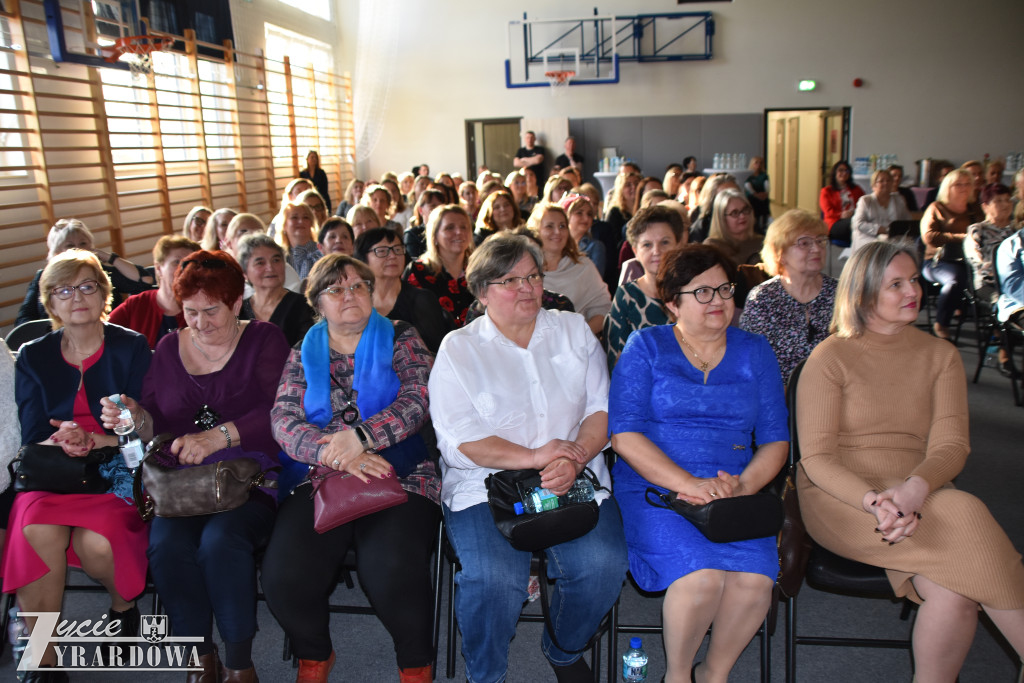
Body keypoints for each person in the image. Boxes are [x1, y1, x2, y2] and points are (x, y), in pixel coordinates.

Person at [796, 240, 1024, 682]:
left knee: (955, 592)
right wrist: (876, 500)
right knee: (968, 514)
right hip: (843, 495)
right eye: (895, 284)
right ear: (862, 295)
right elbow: (818, 459)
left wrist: (915, 489)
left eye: (914, 280)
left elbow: (951, 446)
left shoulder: (940, 355)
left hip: (921, 487)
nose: (912, 291)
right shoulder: (830, 357)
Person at [428, 233, 627, 683]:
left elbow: (601, 408)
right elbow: (460, 441)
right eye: (509, 280)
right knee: (495, 581)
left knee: (602, 567)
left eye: (533, 276)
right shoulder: (459, 349)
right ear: (482, 293)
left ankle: (563, 648)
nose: (527, 288)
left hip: (572, 473)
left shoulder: (572, 330)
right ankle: (487, 673)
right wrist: (537, 455)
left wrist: (573, 459)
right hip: (488, 484)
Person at [100, 250, 290, 683]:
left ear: (237, 304)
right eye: (190, 312)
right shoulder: (168, 347)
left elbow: (279, 411)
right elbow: (155, 419)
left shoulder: (264, 339)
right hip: (183, 483)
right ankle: (199, 657)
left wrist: (217, 437)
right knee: (166, 546)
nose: (200, 323)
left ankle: (239, 661)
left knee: (221, 542)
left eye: (212, 311)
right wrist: (134, 416)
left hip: (250, 474)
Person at [608, 243, 788, 683]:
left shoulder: (754, 351)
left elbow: (776, 442)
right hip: (658, 486)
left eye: (725, 289)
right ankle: (678, 674)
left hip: (733, 488)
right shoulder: (647, 347)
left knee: (754, 581)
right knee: (702, 578)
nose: (719, 301)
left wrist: (743, 487)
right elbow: (624, 435)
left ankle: (714, 673)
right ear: (673, 302)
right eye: (702, 292)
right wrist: (688, 482)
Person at [264, 254, 438, 683]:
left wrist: (360, 438)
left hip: (403, 469)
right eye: (336, 289)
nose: (349, 295)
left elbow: (419, 400)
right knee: (284, 574)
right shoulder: (303, 350)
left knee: (390, 566)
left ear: (371, 291)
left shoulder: (401, 336)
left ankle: (415, 663)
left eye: (358, 285)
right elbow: (284, 422)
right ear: (317, 303)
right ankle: (315, 654)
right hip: (323, 474)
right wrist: (336, 451)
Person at [6, 250, 152, 672]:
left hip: (114, 470)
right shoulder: (34, 355)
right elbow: (32, 431)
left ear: (104, 293)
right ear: (50, 302)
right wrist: (63, 439)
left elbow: (145, 432)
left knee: (97, 546)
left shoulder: (131, 346)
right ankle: (42, 661)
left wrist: (101, 437)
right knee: (35, 529)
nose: (77, 298)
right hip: (52, 472)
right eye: (64, 290)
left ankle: (123, 607)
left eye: (88, 286)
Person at [740, 209, 836, 384]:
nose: (816, 249)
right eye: (804, 243)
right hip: (780, 399)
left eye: (820, 241)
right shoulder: (762, 299)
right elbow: (752, 363)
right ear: (780, 253)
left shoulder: (839, 294)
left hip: (834, 394)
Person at [17, 219, 154, 326]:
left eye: (83, 243)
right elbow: (23, 321)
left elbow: (144, 281)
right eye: (70, 245)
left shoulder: (102, 272)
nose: (78, 249)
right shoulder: (43, 277)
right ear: (57, 252)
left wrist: (109, 257)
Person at [603, 205, 685, 370]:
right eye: (647, 245)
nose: (657, 251)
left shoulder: (692, 292)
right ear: (635, 252)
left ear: (678, 246)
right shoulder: (626, 295)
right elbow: (617, 363)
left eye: (665, 242)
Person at [354, 227, 454, 353]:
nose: (392, 256)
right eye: (382, 251)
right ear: (363, 259)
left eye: (397, 249)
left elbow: (435, 353)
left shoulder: (423, 300)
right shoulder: (354, 301)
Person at [920, 169, 984, 339]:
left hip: (970, 260)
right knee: (955, 279)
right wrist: (963, 238)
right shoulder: (937, 208)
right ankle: (942, 322)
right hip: (937, 261)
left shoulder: (974, 209)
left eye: (967, 183)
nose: (964, 188)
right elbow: (929, 237)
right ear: (948, 187)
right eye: (958, 184)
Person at [530, 202, 611, 335]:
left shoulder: (583, 266)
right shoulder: (524, 272)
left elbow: (603, 309)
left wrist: (577, 337)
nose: (557, 232)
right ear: (536, 230)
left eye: (562, 226)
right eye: (549, 226)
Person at [109, 235, 200, 349]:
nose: (184, 269)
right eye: (177, 262)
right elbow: (102, 334)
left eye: (190, 264)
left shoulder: (202, 308)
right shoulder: (135, 305)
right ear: (158, 268)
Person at [403, 205, 475, 328]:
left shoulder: (480, 270)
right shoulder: (418, 271)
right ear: (435, 235)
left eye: (464, 227)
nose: (459, 232)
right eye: (450, 228)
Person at [238, 233, 315, 347]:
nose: (270, 267)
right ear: (244, 272)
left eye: (276, 260)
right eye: (260, 262)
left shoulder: (303, 305)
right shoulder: (239, 310)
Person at [851, 169, 911, 255]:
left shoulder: (899, 200)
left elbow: (907, 221)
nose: (885, 183)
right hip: (868, 237)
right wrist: (881, 229)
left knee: (909, 244)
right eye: (881, 181)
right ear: (873, 186)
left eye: (888, 180)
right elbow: (858, 224)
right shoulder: (865, 201)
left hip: (892, 237)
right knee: (884, 244)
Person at [704, 189, 763, 267]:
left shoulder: (761, 242)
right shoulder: (712, 247)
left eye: (745, 210)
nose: (742, 216)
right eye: (735, 213)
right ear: (721, 218)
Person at [818, 160, 864, 243]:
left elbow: (865, 204)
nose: (844, 173)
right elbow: (828, 211)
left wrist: (854, 213)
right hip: (835, 222)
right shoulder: (826, 191)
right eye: (840, 170)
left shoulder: (856, 189)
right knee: (857, 225)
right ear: (835, 173)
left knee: (863, 225)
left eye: (846, 170)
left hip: (855, 218)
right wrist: (841, 215)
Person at [563, 194, 607, 279]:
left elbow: (594, 281)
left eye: (589, 214)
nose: (586, 218)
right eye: (579, 213)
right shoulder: (558, 245)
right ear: (567, 216)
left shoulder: (596, 246)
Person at [277, 199, 323, 280]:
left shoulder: (321, 252)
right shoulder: (279, 256)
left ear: (311, 223)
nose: (301, 221)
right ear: (284, 225)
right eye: (294, 217)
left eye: (305, 217)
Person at [690, 174, 739, 244]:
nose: (731, 199)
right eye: (724, 196)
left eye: (735, 194)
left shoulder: (746, 218)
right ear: (712, 200)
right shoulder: (702, 227)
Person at [405, 188, 445, 258]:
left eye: (441, 206)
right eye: (433, 206)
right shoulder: (413, 234)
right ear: (420, 210)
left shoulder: (449, 232)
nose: (438, 210)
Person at [605, 171, 640, 239]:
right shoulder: (615, 212)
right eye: (628, 185)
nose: (634, 187)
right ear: (620, 189)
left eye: (636, 183)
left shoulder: (644, 208)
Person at [744, 156, 771, 232]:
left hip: (762, 195)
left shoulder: (764, 175)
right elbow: (748, 186)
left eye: (760, 163)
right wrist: (755, 194)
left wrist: (765, 194)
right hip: (752, 196)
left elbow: (767, 186)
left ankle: (763, 225)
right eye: (756, 163)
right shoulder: (749, 175)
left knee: (764, 202)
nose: (758, 165)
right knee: (752, 201)